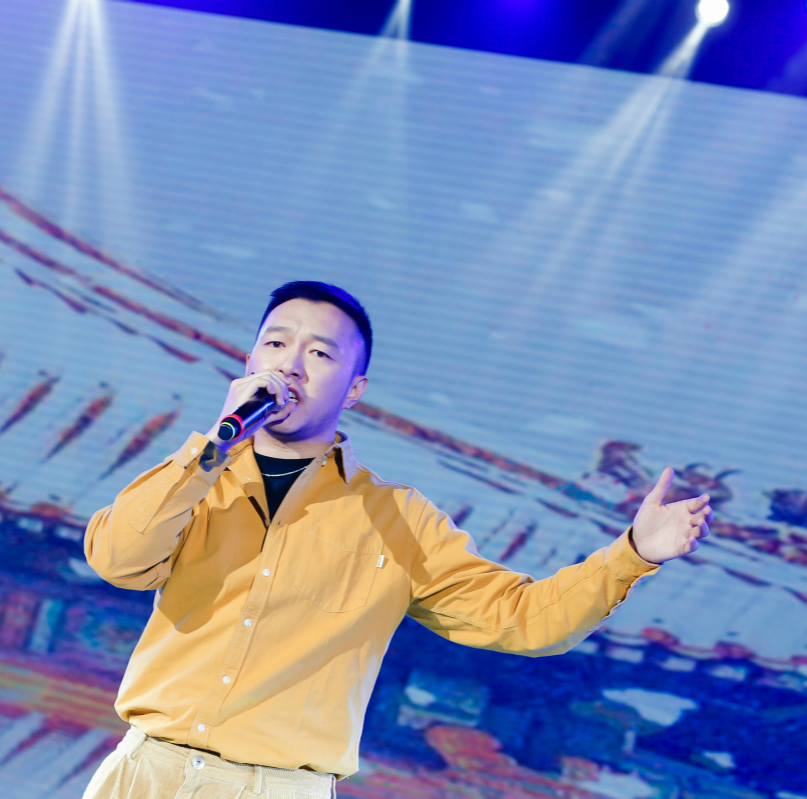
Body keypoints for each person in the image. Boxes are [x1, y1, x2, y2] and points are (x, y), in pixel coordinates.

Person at [82, 281, 712, 799]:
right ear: (250, 363)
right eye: (275, 343)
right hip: (146, 772)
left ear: (354, 389)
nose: (289, 364)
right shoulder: (194, 479)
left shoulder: (399, 519)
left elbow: (524, 620)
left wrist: (633, 553)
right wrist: (213, 448)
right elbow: (117, 560)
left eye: (320, 354)